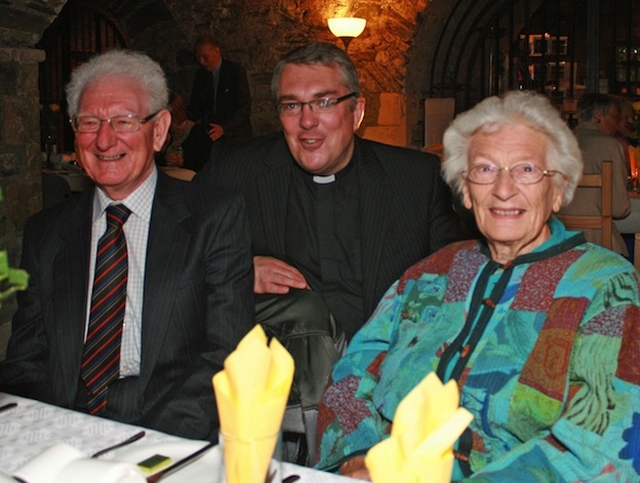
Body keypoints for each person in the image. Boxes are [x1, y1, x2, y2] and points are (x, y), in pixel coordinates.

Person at [315, 90, 640, 481]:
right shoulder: (431, 272)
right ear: (466, 191)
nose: (503, 189)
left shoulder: (605, 286)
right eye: (485, 170)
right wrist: (359, 457)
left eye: (527, 170)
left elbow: (606, 442)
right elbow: (352, 373)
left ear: (558, 190)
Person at [0, 50, 255, 442]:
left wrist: (145, 452)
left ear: (159, 129)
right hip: (64, 433)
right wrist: (54, 438)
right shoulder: (46, 232)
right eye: (89, 122)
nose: (104, 139)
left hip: (164, 431)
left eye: (123, 121)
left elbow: (225, 355)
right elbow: (27, 362)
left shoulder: (214, 218)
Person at [559, 92, 630, 255]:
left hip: (561, 238)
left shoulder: (560, 142)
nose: (616, 123)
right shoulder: (610, 146)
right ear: (598, 115)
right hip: (599, 243)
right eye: (614, 117)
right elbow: (620, 208)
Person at [187, 35, 253, 142]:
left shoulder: (235, 72)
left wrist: (224, 128)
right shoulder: (201, 75)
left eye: (205, 57)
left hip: (236, 136)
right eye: (198, 57)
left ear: (217, 51)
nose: (201, 62)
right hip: (212, 136)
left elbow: (243, 108)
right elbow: (196, 106)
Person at [156, 92, 211, 172]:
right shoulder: (165, 133)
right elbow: (155, 165)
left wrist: (182, 162)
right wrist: (163, 149)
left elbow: (205, 163)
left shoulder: (197, 133)